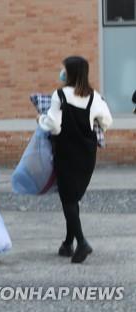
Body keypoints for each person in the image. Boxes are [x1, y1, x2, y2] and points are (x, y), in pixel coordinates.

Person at [39, 56, 113, 263]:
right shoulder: (94, 97)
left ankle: (82, 243)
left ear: (69, 73)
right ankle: (67, 243)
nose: (61, 72)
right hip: (87, 154)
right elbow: (107, 121)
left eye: (63, 69)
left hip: (66, 152)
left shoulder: (59, 95)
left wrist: (41, 120)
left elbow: (54, 126)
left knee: (68, 199)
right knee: (72, 197)